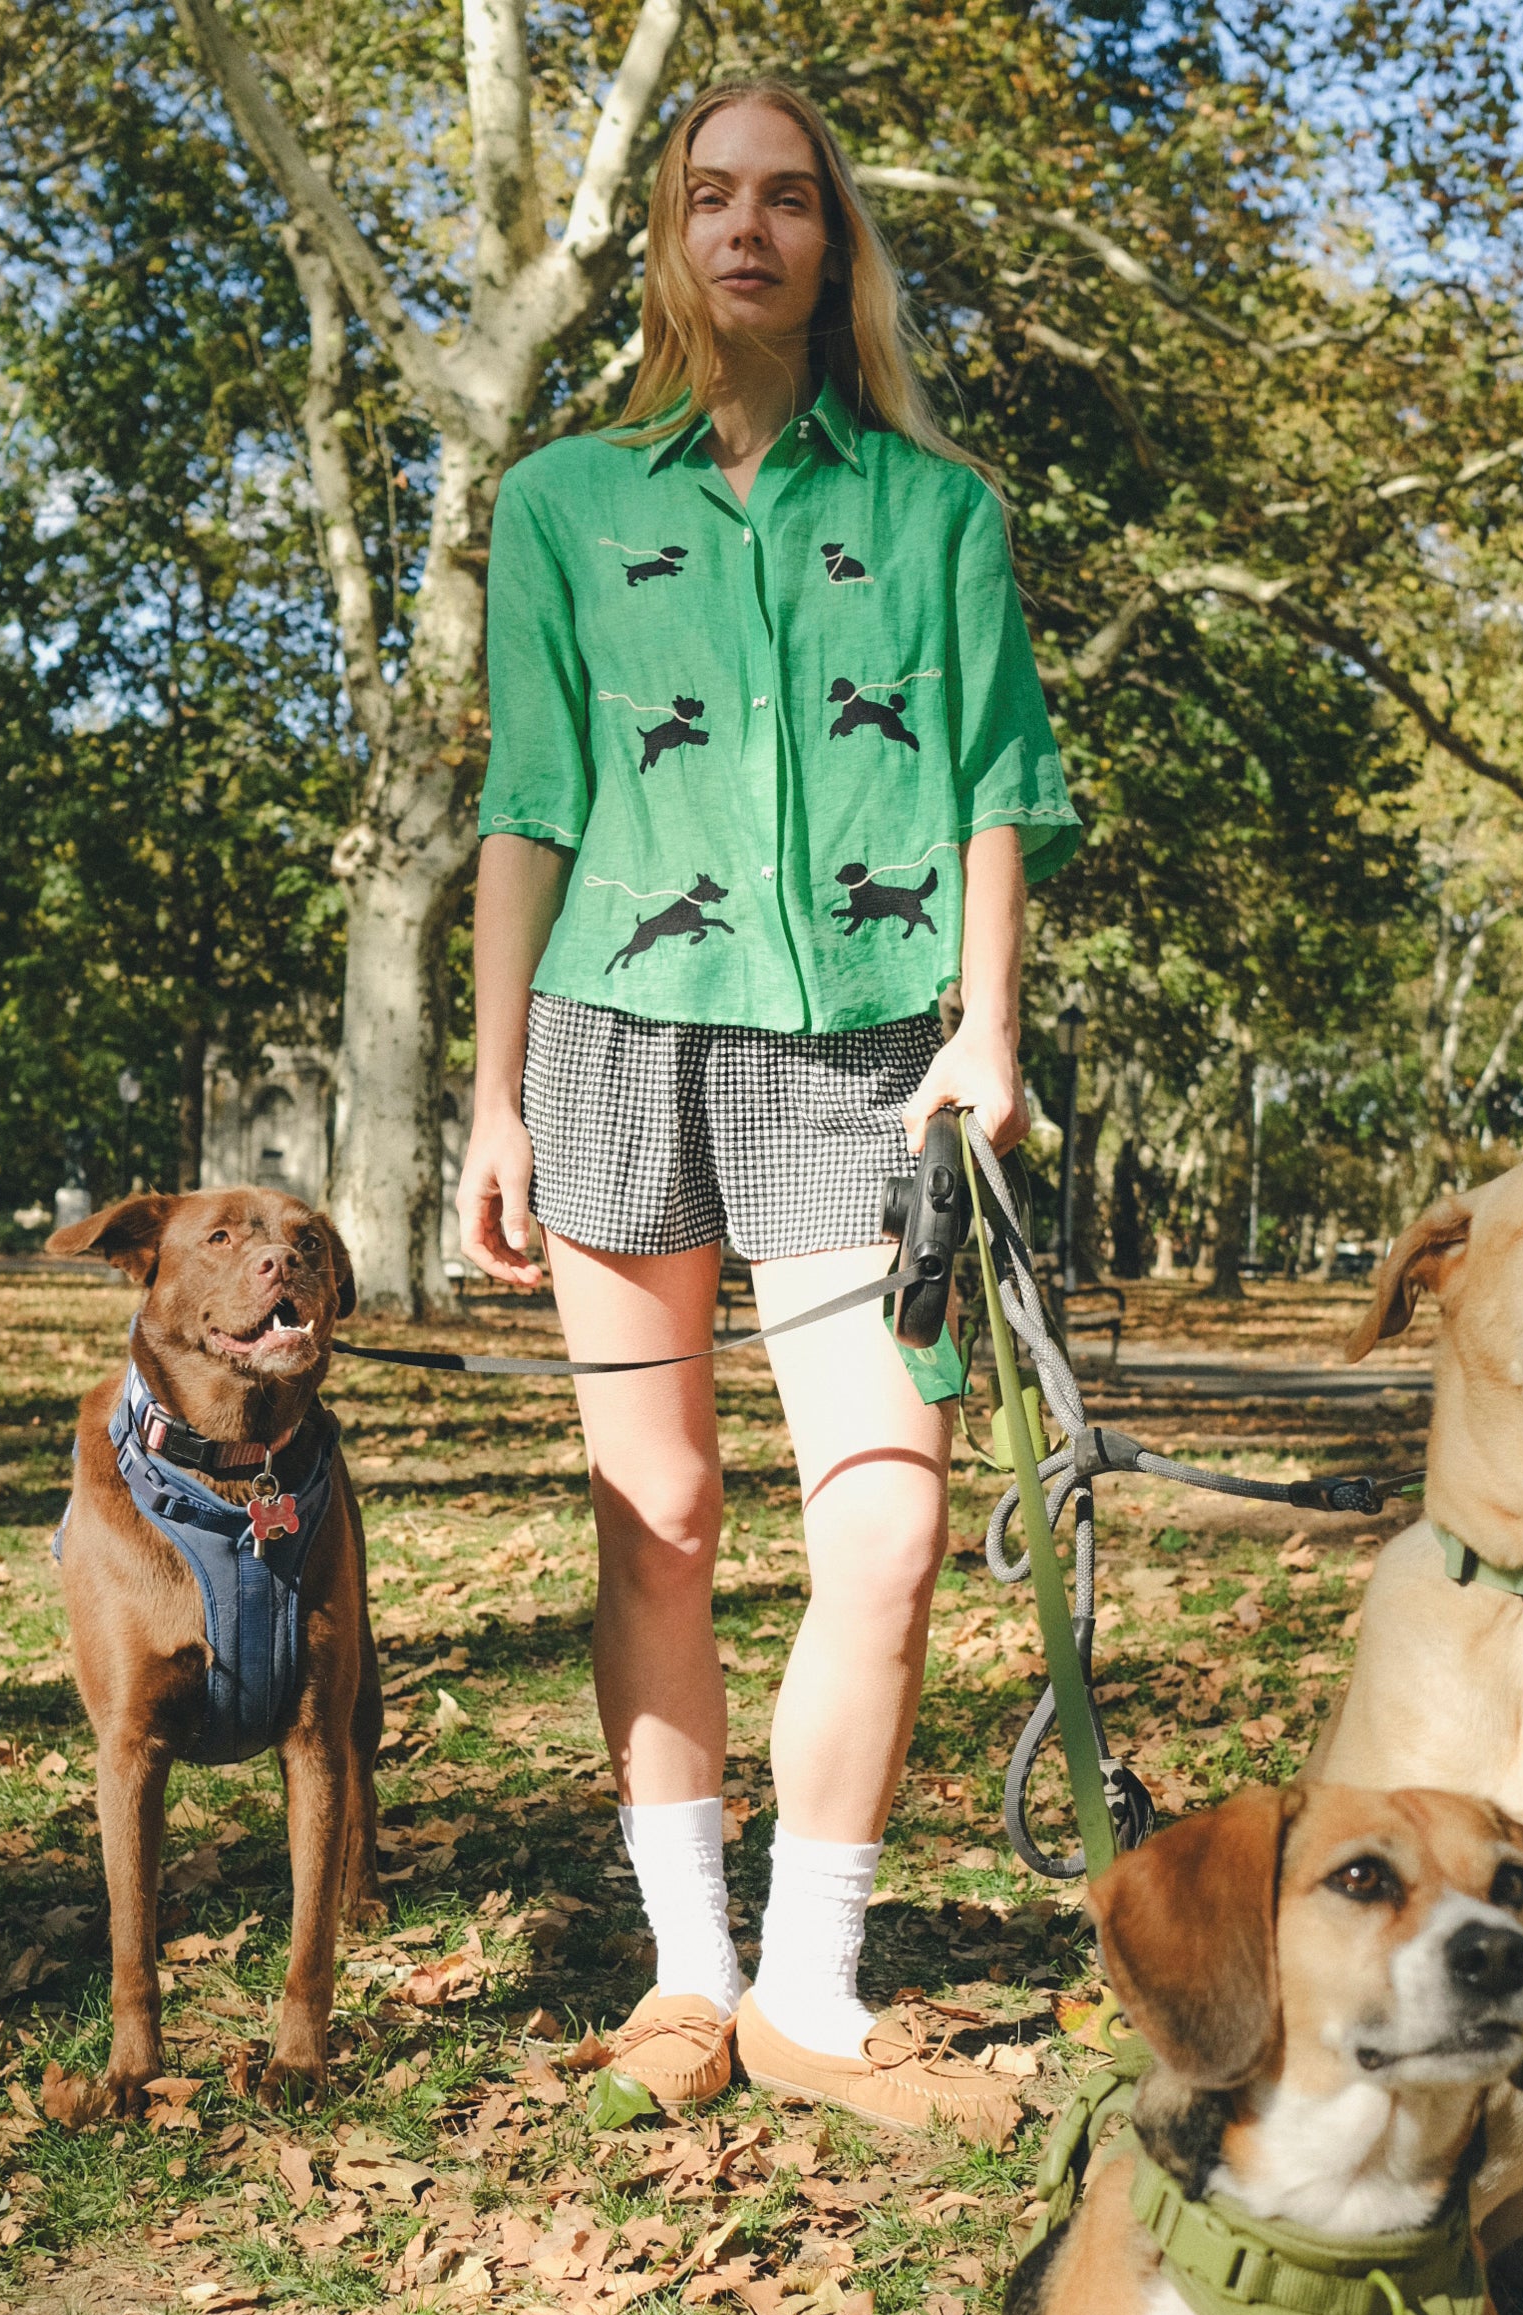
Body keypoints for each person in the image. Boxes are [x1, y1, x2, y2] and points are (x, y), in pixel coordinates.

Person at [457, 77, 1078, 2133]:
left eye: (787, 199)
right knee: (663, 1520)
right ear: (667, 236)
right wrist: (494, 1097)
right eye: (709, 196)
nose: (748, 230)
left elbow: (995, 781)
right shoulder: (558, 504)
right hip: (615, 1034)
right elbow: (529, 806)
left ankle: (812, 1985)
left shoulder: (936, 513)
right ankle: (686, 1969)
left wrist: (986, 1031)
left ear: (836, 243)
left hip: (867, 1059)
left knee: (887, 1521)